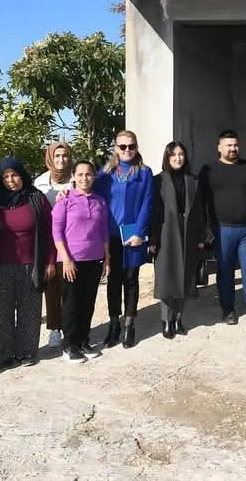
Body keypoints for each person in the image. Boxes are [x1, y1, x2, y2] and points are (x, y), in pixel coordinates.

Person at [198, 130, 246, 325]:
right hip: (222, 229)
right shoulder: (209, 170)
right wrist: (205, 227)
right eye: (228, 145)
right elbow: (201, 201)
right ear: (219, 148)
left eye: (235, 145)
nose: (232, 148)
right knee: (225, 270)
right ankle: (228, 309)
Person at [0, 157, 55, 369]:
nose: (11, 180)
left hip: (31, 263)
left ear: (22, 175)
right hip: (1, 266)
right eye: (6, 177)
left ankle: (27, 352)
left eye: (14, 175)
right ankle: (6, 356)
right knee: (3, 313)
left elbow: (49, 232)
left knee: (30, 310)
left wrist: (50, 262)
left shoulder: (36, 197)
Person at [95, 130, 154, 349]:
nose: (127, 150)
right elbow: (88, 194)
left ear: (137, 147)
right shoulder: (105, 173)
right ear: (115, 148)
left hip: (133, 235)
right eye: (122, 146)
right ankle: (114, 324)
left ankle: (129, 325)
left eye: (131, 146)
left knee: (131, 280)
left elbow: (147, 204)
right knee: (113, 281)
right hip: (110, 235)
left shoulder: (145, 173)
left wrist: (140, 233)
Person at [52, 161, 110, 363]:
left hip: (94, 259)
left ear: (94, 177)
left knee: (88, 303)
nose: (84, 178)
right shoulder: (65, 200)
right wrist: (66, 259)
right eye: (80, 174)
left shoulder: (99, 201)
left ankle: (83, 340)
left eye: (88, 174)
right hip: (71, 260)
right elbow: (56, 232)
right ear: (74, 177)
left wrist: (107, 258)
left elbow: (103, 232)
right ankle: (69, 345)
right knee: (71, 304)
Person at [149, 142, 208, 339]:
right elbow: (154, 211)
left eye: (181, 154)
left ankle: (178, 319)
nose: (178, 158)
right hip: (166, 232)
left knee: (185, 277)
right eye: (173, 154)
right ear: (167, 158)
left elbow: (200, 210)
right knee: (167, 278)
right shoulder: (158, 181)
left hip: (188, 232)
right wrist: (153, 239)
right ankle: (167, 320)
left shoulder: (193, 180)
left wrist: (201, 236)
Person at [34, 142, 73, 349]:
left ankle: (71, 327)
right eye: (57, 156)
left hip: (73, 239)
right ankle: (54, 329)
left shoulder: (77, 178)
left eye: (65, 155)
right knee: (52, 285)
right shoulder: (40, 182)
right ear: (50, 157)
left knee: (70, 285)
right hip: (49, 240)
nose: (61, 160)